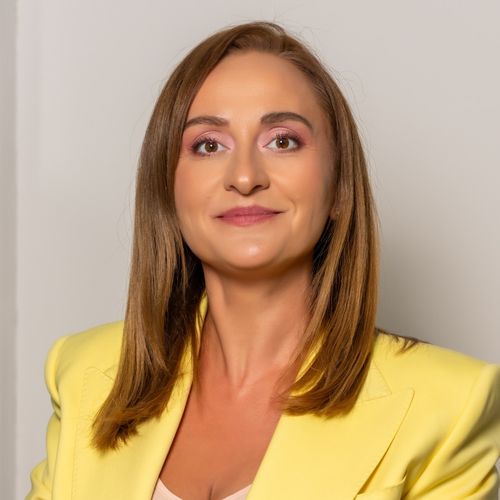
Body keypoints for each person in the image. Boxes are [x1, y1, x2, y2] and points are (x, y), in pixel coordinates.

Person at [27, 21, 500, 500]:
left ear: (339, 186)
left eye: (282, 140)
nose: (245, 177)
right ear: (167, 189)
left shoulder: (450, 405)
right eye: (209, 145)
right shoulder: (82, 373)